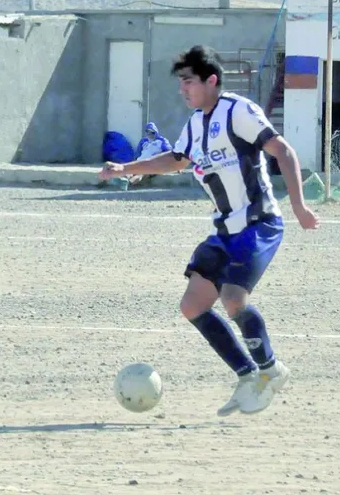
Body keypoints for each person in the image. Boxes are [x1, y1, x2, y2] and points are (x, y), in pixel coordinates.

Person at [99, 45, 320, 416]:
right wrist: (126, 168)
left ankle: (270, 369)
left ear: (211, 81)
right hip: (224, 231)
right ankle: (248, 375)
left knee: (234, 298)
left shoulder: (238, 111)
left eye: (189, 81)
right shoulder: (195, 124)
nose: (182, 89)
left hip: (257, 223)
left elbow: (284, 151)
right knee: (192, 305)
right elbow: (176, 159)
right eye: (181, 82)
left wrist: (299, 207)